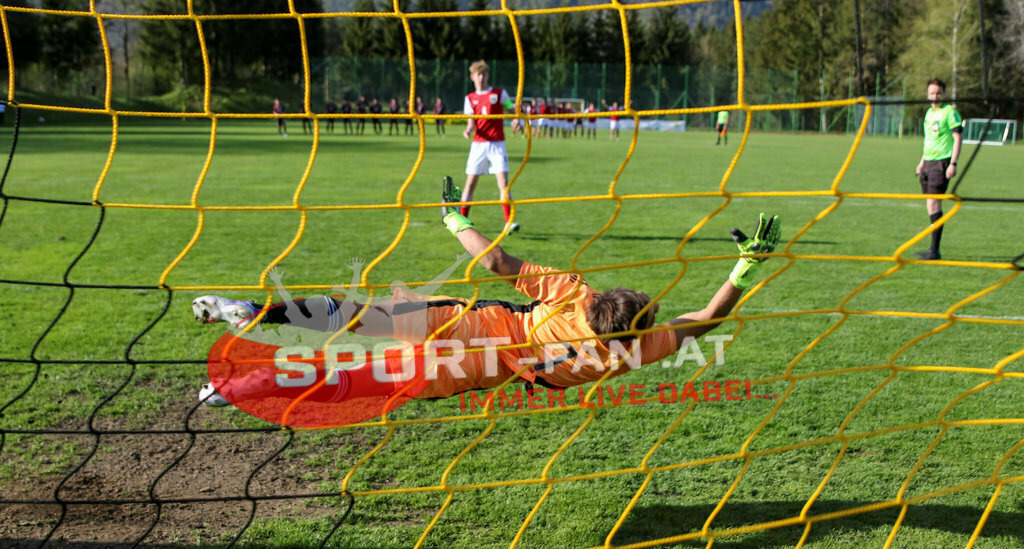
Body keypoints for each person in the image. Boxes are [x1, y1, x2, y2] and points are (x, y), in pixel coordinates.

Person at [191, 176, 782, 416]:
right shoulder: (628, 352)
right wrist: (745, 269)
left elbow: (497, 260)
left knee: (353, 316)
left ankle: (255, 314)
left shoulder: (573, 292)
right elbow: (705, 318)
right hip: (468, 370)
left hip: (466, 325)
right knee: (356, 380)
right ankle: (243, 388)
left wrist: (454, 218)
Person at [461, 60, 523, 233]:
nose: (480, 78)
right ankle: (463, 221)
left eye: (483, 74)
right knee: (470, 183)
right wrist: (468, 130)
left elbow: (512, 109)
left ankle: (508, 222)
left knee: (503, 183)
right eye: (477, 75)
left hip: (497, 144)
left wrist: (517, 119)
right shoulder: (470, 99)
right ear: (472, 77)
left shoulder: (499, 93)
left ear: (487, 75)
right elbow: (471, 123)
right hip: (478, 145)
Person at [914, 78, 963, 260]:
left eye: (938, 93)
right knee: (930, 205)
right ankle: (933, 249)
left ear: (943, 94)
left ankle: (934, 251)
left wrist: (953, 163)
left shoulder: (949, 112)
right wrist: (921, 162)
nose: (935, 96)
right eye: (932, 93)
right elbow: (928, 140)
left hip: (941, 163)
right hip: (927, 163)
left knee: (935, 204)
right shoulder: (928, 113)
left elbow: (957, 137)